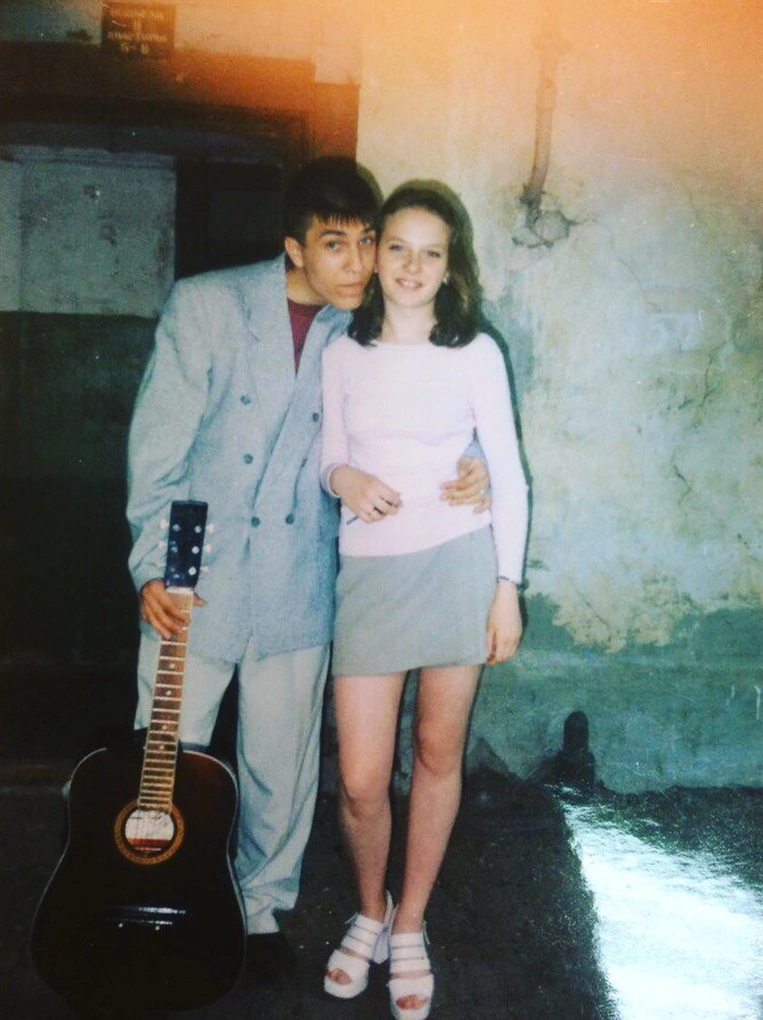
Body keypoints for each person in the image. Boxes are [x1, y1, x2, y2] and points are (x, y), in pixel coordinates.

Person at [125, 157, 490, 987]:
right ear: (293, 247)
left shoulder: (363, 329)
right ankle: (152, 892)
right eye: (336, 244)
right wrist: (151, 565)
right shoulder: (208, 306)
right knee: (166, 753)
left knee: (280, 766)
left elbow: (431, 405)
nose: (360, 264)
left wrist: (474, 461)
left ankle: (259, 911)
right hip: (193, 574)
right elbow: (156, 450)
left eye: (368, 241)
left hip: (299, 577)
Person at [319, 184, 529, 1019]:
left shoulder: (476, 351)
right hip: (370, 575)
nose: (411, 266)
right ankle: (367, 909)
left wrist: (507, 588)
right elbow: (328, 455)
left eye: (430, 252)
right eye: (397, 247)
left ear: (451, 266)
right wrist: (344, 477)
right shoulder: (343, 349)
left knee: (439, 755)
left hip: (457, 565)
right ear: (376, 256)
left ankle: (409, 923)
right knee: (362, 779)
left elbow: (508, 473)